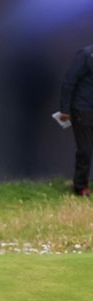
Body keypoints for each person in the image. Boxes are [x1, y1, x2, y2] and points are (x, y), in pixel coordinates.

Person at [59, 44, 93, 197]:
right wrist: (65, 109)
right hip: (83, 109)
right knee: (85, 149)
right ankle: (80, 186)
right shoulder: (86, 54)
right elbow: (69, 80)